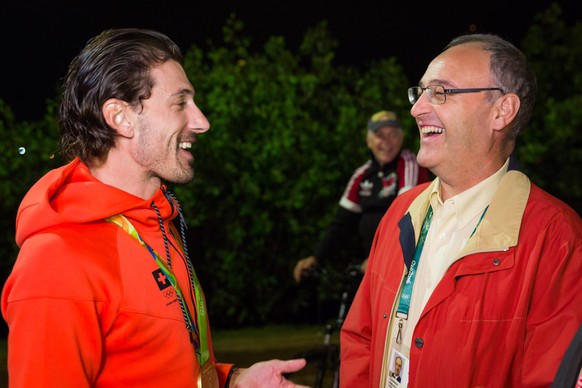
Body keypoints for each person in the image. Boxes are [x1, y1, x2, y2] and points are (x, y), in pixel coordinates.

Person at [0, 28, 307, 388]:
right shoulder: (56, 261)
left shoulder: (155, 221)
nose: (202, 122)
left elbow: (154, 368)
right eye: (180, 103)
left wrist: (234, 380)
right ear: (121, 117)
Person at [339, 33, 582, 387]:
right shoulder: (402, 212)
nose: (417, 108)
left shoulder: (556, 238)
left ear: (501, 111)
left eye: (440, 92)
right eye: (419, 92)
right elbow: (361, 339)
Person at [293, 111, 429, 282]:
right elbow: (341, 223)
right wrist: (316, 257)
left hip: (403, 265)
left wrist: (378, 256)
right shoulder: (361, 174)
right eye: (379, 135)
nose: (386, 142)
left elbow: (408, 217)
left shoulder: (409, 163)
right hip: (370, 266)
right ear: (368, 141)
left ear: (401, 138)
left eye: (393, 135)